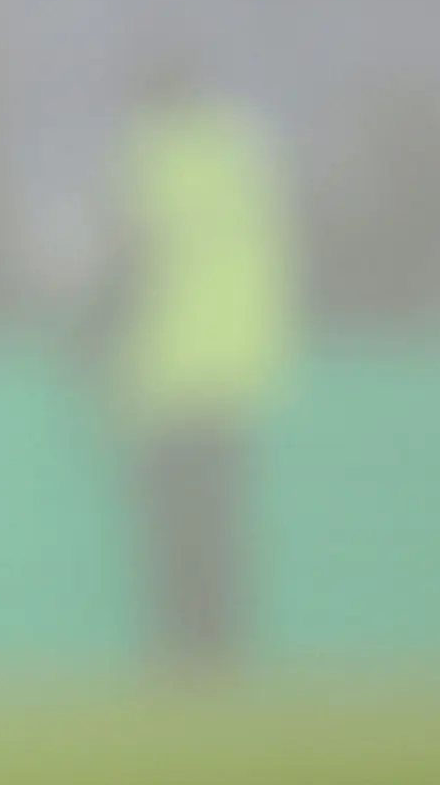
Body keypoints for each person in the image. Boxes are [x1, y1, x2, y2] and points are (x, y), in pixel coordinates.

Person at [103, 57, 296, 674]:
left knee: (171, 529)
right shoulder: (245, 150)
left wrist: (88, 342)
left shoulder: (150, 155)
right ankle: (224, 651)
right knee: (222, 524)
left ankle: (181, 654)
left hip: (165, 370)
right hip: (238, 366)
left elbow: (129, 262)